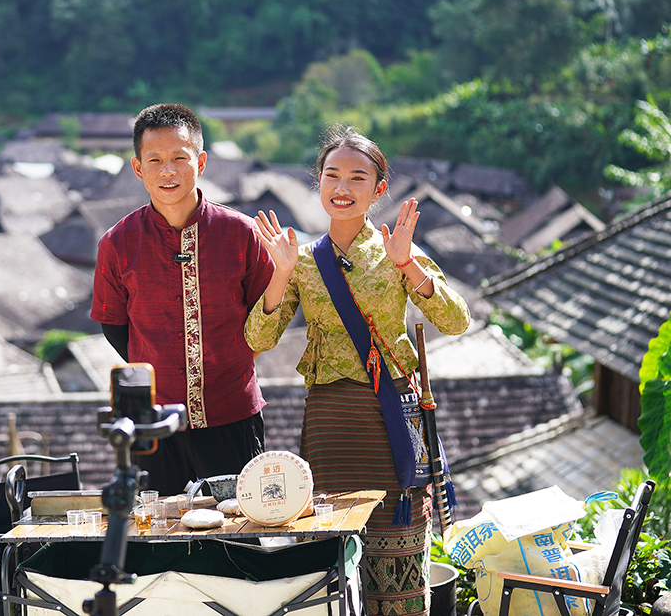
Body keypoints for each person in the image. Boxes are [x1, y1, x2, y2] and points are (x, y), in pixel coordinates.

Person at [245, 124, 470, 616]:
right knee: (330, 545)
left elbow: (456, 320)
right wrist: (279, 275)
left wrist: (409, 265)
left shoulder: (397, 251)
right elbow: (257, 339)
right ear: (319, 182)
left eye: (357, 177)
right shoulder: (301, 261)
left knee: (399, 539)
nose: (342, 188)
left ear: (379, 189)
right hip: (330, 420)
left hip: (390, 414)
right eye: (331, 175)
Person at [91, 103, 275, 496]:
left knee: (238, 532)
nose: (168, 171)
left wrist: (228, 363)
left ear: (202, 161)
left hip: (232, 412)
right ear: (138, 168)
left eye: (179, 157)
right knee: (157, 535)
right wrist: (165, 371)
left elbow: (266, 319)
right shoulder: (118, 243)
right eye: (154, 160)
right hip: (152, 422)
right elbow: (113, 324)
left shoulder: (241, 234)